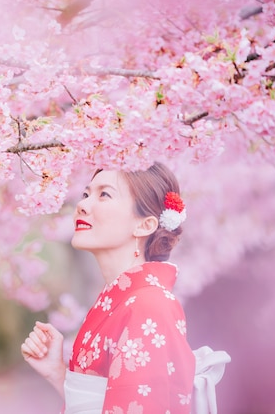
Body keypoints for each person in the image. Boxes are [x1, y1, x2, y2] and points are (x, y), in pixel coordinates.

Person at [21, 162, 195, 414]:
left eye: (104, 194)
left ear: (144, 225)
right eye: (85, 194)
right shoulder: (123, 299)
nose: (82, 205)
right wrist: (58, 373)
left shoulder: (148, 305)